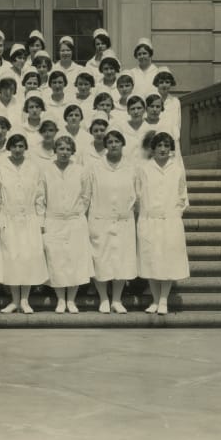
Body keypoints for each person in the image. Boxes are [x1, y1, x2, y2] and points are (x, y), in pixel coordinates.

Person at [0, 134, 48, 314]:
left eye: (21, 146)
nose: (17, 150)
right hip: (9, 220)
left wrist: (41, 221)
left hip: (30, 220)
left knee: (28, 258)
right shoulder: (1, 169)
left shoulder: (34, 168)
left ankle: (25, 300)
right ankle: (14, 301)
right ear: (9, 147)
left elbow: (40, 197)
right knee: (12, 260)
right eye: (14, 146)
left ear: (25, 148)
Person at [136, 132, 190, 315]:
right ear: (153, 148)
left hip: (170, 221)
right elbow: (138, 194)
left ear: (171, 149)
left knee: (168, 260)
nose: (163, 149)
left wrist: (174, 214)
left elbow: (182, 195)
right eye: (159, 145)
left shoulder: (177, 169)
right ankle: (154, 299)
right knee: (151, 260)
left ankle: (164, 300)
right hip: (149, 221)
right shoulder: (144, 169)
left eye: (166, 146)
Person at [87, 130, 139, 314]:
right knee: (101, 259)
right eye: (110, 142)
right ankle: (103, 299)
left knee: (121, 261)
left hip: (124, 221)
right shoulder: (95, 167)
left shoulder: (131, 167)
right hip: (100, 219)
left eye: (117, 141)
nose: (114, 144)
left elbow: (137, 194)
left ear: (123, 144)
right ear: (106, 145)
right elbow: (87, 194)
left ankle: (116, 300)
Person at [41, 135, 94, 313]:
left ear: (73, 151)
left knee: (75, 261)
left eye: (68, 149)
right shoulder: (46, 171)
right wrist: (43, 221)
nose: (64, 152)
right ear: (55, 150)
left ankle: (71, 300)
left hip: (74, 221)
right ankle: (60, 300)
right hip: (53, 221)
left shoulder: (80, 171)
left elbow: (86, 196)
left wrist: (77, 214)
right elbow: (41, 197)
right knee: (56, 260)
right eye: (61, 149)